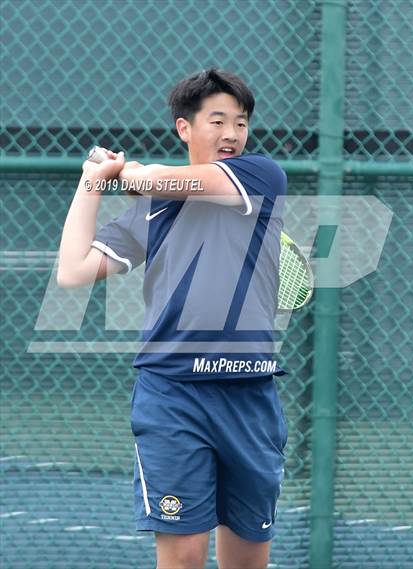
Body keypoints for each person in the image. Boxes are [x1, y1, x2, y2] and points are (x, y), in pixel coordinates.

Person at [57, 68, 288, 569]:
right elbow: (73, 272)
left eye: (241, 123)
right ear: (185, 128)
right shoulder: (150, 212)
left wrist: (126, 172)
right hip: (172, 397)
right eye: (218, 121)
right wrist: (89, 184)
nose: (232, 134)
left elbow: (163, 178)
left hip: (250, 398)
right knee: (182, 557)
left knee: (247, 561)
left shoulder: (260, 176)